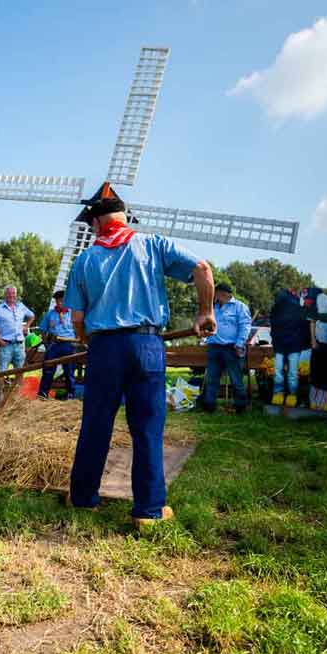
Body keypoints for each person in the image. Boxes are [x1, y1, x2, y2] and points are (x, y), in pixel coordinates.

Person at [64, 182, 215, 528]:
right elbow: (203, 269)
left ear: (98, 222)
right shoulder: (152, 245)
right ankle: (148, 510)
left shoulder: (85, 259)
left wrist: (91, 344)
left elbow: (76, 319)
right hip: (147, 345)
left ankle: (84, 498)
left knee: (96, 425)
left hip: (104, 347)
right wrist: (206, 312)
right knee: (147, 427)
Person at [199, 282, 251, 413]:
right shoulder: (213, 308)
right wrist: (204, 339)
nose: (214, 296)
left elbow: (245, 326)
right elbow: (207, 325)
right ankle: (209, 406)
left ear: (223, 294)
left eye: (215, 293)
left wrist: (240, 344)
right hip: (214, 347)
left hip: (232, 348)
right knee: (212, 378)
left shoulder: (239, 307)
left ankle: (240, 407)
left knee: (236, 379)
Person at [0, 285, 34, 402]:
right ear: (5, 295)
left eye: (13, 294)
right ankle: (1, 395)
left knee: (19, 371)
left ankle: (17, 396)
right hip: (5, 345)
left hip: (19, 344)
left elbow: (32, 316)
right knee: (2, 372)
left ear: (16, 295)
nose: (11, 296)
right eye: (9, 294)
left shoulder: (21, 306)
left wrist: (26, 326)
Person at [269, 285, 310, 407]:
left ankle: (281, 394)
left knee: (280, 371)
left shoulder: (278, 308)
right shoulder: (297, 306)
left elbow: (273, 327)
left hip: (287, 345)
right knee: (291, 373)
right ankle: (290, 395)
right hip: (289, 345)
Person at [38, 289, 78, 400]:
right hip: (55, 344)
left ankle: (71, 394)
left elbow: (79, 329)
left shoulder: (73, 314)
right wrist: (46, 343)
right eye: (58, 300)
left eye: (62, 300)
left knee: (69, 371)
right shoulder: (50, 314)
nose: (59, 302)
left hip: (69, 344)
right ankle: (43, 393)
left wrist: (77, 341)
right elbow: (42, 330)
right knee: (48, 369)